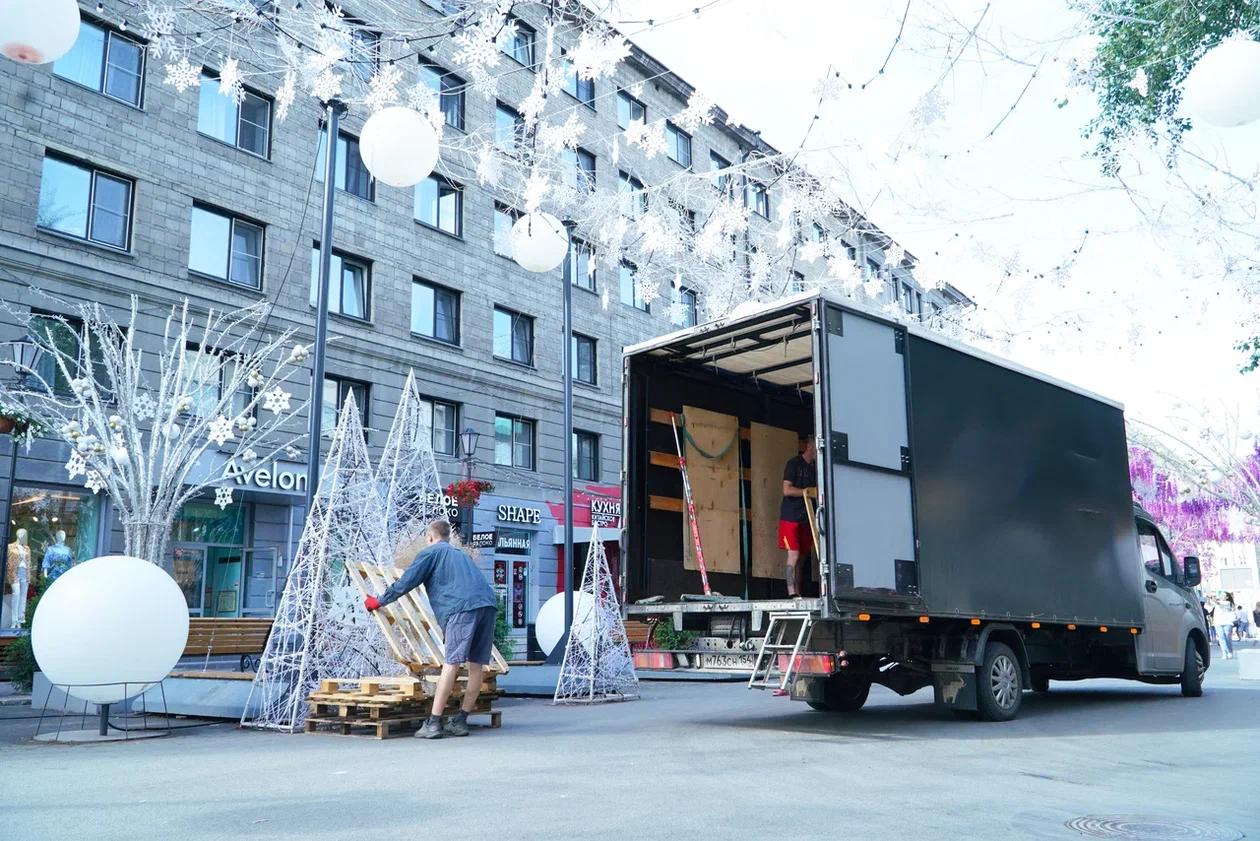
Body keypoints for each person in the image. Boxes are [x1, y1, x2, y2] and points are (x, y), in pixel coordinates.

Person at [364, 520, 497, 739]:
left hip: (460, 607)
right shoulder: (462, 555)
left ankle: (434, 723)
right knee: (476, 667)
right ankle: (461, 721)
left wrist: (378, 602)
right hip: (487, 605)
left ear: (430, 537)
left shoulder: (430, 553)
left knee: (451, 663)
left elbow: (406, 582)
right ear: (449, 537)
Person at [778, 439, 817, 599]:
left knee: (802, 558)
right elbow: (786, 490)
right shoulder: (794, 464)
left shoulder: (815, 470)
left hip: (806, 517)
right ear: (809, 446)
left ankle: (798, 592)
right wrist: (807, 492)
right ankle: (791, 592)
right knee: (793, 555)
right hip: (791, 516)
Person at [1213, 594, 1236, 660]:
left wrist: (1215, 601)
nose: (1221, 596)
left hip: (1227, 622)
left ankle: (1229, 651)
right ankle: (1225, 653)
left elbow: (1219, 604)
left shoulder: (1228, 603)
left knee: (1227, 637)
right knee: (1221, 637)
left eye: (1223, 595)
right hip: (1218, 622)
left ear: (1227, 597)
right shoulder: (1216, 603)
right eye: (1221, 595)